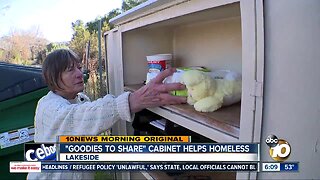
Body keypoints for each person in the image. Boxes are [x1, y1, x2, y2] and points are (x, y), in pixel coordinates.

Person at [27, 49, 186, 179]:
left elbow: (91, 123)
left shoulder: (81, 99)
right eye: (70, 69)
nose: (79, 73)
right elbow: (78, 118)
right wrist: (132, 100)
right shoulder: (48, 107)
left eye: (79, 67)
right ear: (53, 78)